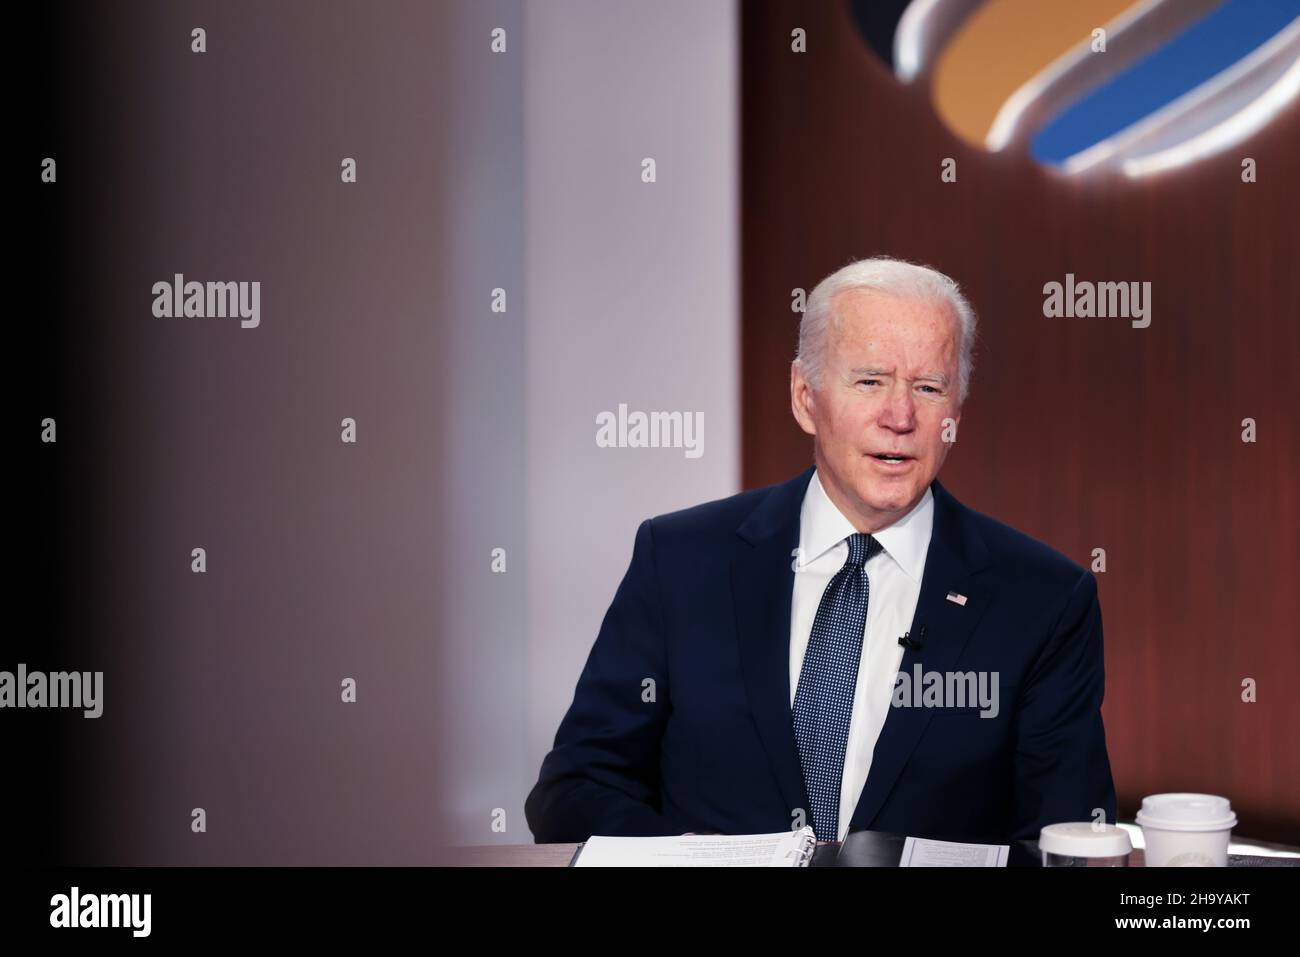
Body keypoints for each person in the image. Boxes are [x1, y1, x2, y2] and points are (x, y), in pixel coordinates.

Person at [525, 256, 1116, 844]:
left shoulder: (1044, 600)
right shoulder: (680, 560)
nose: (900, 416)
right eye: (869, 381)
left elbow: (1068, 842)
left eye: (928, 388)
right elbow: (575, 791)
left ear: (954, 413)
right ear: (805, 397)